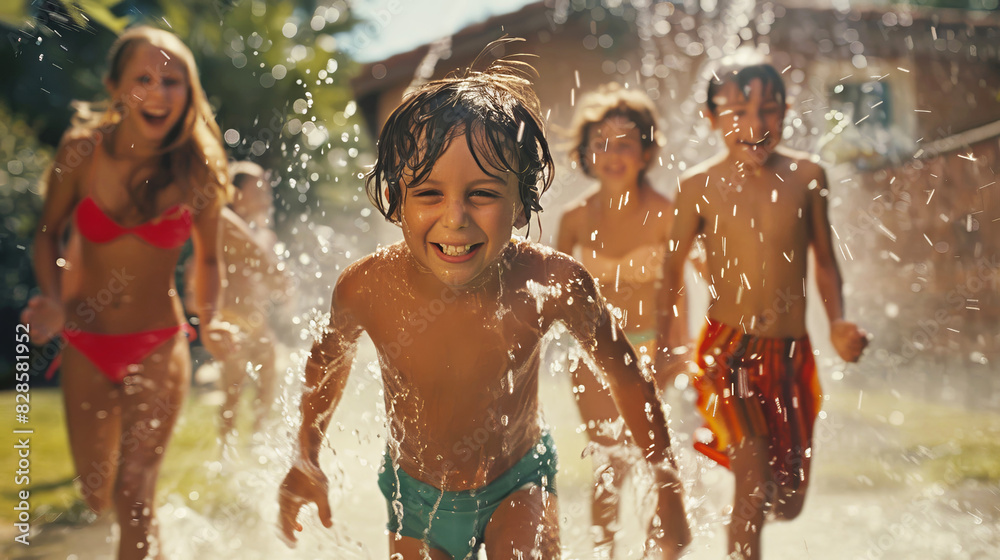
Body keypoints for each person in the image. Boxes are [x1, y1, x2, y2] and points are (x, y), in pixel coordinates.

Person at [277, 43, 691, 560]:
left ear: (521, 204)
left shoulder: (550, 282)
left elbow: (625, 373)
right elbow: (326, 363)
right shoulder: (367, 288)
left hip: (517, 483)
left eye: (483, 194)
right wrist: (305, 455)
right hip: (417, 496)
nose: (455, 219)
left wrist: (666, 483)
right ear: (393, 200)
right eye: (429, 193)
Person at [21, 26, 232, 560]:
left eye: (173, 81)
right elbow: (47, 232)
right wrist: (50, 296)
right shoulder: (80, 154)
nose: (159, 92)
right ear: (115, 86)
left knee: (134, 495)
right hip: (87, 344)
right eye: (143, 79)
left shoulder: (197, 168)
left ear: (190, 92)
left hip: (159, 343)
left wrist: (212, 320)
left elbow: (208, 258)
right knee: (98, 495)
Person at [655, 56, 868, 560]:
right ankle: (745, 491)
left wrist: (837, 322)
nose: (754, 126)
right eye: (735, 112)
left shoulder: (807, 177)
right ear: (710, 118)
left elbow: (824, 263)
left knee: (786, 501)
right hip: (728, 352)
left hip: (791, 356)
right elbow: (669, 271)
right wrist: (668, 343)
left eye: (769, 111)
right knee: (754, 486)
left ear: (786, 112)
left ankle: (752, 484)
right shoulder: (697, 186)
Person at [556, 83, 692, 554]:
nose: (612, 155)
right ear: (585, 153)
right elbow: (554, 289)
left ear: (647, 151)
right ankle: (606, 551)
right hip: (593, 356)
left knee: (656, 460)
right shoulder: (574, 219)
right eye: (601, 144)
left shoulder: (664, 213)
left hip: (653, 348)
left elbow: (681, 287)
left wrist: (680, 346)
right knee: (609, 463)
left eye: (625, 144)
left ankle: (663, 547)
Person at [186, 160, 288, 449]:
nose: (265, 196)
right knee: (232, 387)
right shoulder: (221, 228)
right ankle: (226, 447)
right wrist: (199, 303)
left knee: (268, 380)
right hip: (231, 318)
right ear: (235, 192)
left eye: (266, 190)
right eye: (258, 189)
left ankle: (258, 442)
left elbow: (273, 277)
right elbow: (199, 266)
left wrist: (285, 290)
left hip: (259, 322)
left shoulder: (267, 236)